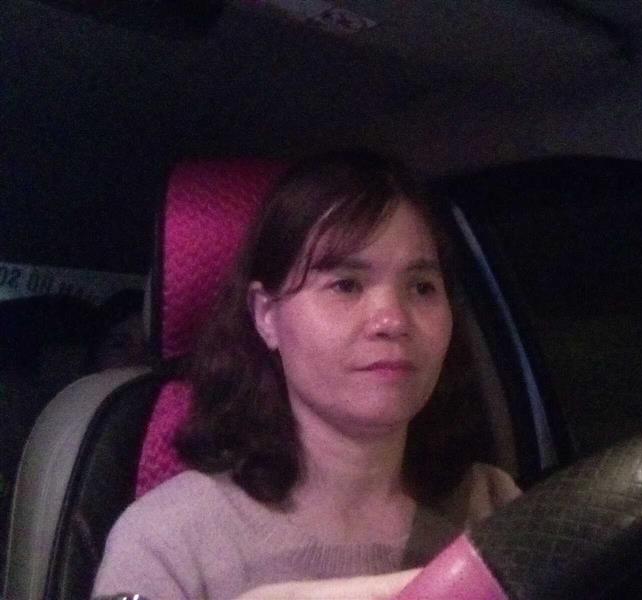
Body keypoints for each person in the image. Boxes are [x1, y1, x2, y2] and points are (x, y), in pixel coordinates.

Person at [92, 151, 521, 600]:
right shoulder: (167, 542)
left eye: (421, 288)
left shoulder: (493, 509)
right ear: (266, 316)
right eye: (345, 285)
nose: (393, 320)